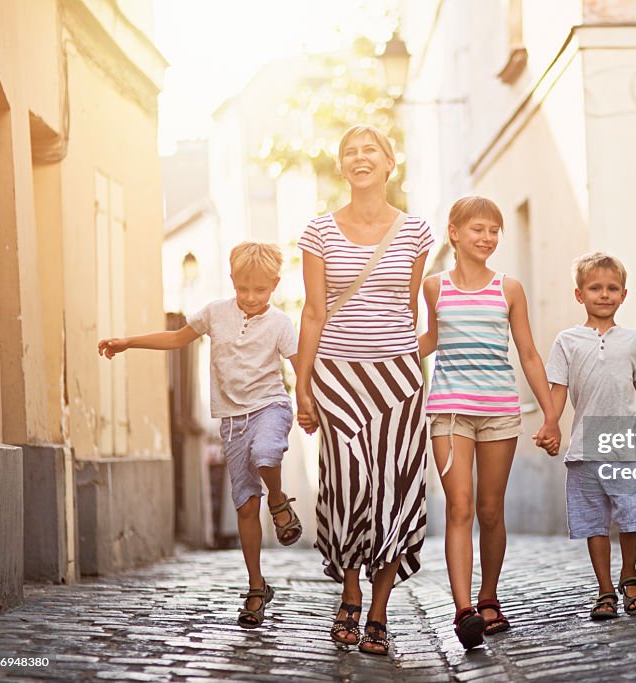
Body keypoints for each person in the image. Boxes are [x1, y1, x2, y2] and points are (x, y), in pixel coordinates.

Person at [98, 242, 303, 629]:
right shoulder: (215, 313)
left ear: (274, 285)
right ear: (232, 282)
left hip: (271, 407)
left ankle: (278, 501)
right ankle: (256, 587)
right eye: (243, 289)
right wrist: (128, 342)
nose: (251, 297)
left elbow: (301, 365)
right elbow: (176, 338)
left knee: (267, 453)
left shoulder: (280, 324)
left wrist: (310, 401)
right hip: (231, 420)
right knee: (244, 505)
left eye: (260, 290)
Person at [294, 124, 433, 656]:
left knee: (395, 489)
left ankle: (378, 612)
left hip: (398, 379)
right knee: (349, 486)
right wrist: (303, 386)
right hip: (337, 376)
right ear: (341, 166)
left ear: (389, 162)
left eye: (369, 149)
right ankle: (349, 593)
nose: (359, 157)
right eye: (350, 152)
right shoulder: (319, 232)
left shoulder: (417, 231)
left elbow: (411, 309)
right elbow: (313, 311)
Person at [418, 196, 560, 649]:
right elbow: (429, 340)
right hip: (449, 411)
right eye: (478, 229)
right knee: (459, 507)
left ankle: (489, 597)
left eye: (494, 230)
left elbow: (529, 354)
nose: (487, 237)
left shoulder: (509, 288)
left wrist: (552, 415)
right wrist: (377, 357)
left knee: (490, 510)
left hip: (500, 410)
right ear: (454, 233)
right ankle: (464, 611)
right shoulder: (434, 288)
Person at [544, 251, 636, 620]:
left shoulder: (633, 341)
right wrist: (550, 424)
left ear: (623, 295)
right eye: (595, 288)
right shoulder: (567, 340)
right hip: (585, 448)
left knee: (632, 514)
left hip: (627, 446)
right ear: (579, 294)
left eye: (612, 288)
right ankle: (604, 589)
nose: (604, 294)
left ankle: (629, 574)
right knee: (592, 521)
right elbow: (558, 389)